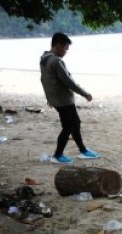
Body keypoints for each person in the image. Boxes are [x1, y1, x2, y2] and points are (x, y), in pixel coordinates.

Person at [39, 32, 100, 163]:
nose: (66, 52)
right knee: (68, 126)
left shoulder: (44, 58)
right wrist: (85, 94)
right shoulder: (56, 61)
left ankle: (83, 150)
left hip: (56, 99)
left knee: (75, 123)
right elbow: (69, 82)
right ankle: (58, 155)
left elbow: (44, 80)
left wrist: (49, 98)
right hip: (63, 100)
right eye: (65, 48)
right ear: (57, 45)